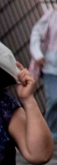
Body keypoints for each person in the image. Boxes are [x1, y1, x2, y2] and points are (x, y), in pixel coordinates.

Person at [30, 8, 57, 142]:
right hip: (51, 67)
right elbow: (36, 33)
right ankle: (51, 133)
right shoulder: (51, 16)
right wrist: (38, 54)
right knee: (54, 98)